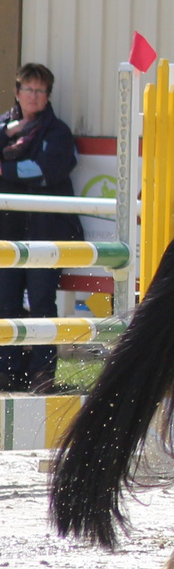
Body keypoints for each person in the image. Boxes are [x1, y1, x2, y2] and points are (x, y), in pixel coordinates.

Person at [0, 63, 82, 392]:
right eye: (28, 89)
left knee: (42, 301)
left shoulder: (58, 132)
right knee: (5, 301)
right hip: (7, 228)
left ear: (48, 97)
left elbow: (47, 170)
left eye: (41, 90)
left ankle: (42, 374)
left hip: (46, 229)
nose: (34, 96)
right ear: (17, 92)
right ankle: (8, 370)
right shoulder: (3, 127)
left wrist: (4, 170)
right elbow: (31, 169)